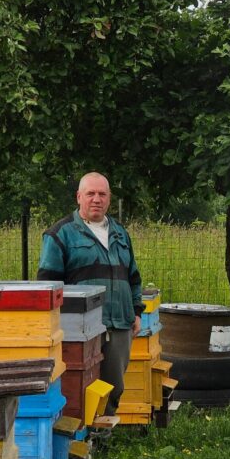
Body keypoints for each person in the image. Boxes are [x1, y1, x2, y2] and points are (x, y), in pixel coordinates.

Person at [37, 172, 144, 416]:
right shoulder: (59, 234)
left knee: (114, 386)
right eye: (90, 194)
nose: (96, 199)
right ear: (79, 197)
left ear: (109, 199)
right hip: (79, 329)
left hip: (118, 323)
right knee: (79, 386)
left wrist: (137, 312)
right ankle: (80, 438)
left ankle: (103, 436)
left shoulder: (120, 233)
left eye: (102, 194)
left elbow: (134, 277)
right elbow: (48, 284)